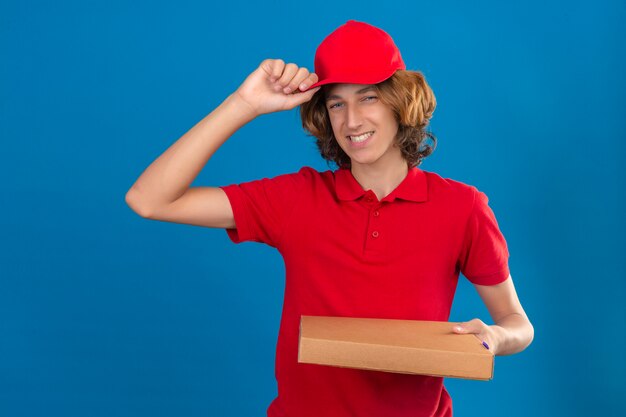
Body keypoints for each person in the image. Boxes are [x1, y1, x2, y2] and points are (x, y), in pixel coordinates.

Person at [126, 20, 534, 417]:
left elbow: (518, 324)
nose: (351, 120)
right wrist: (244, 105)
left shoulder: (462, 207)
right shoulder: (297, 198)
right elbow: (149, 200)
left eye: (368, 97)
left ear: (399, 101)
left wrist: (495, 337)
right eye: (337, 103)